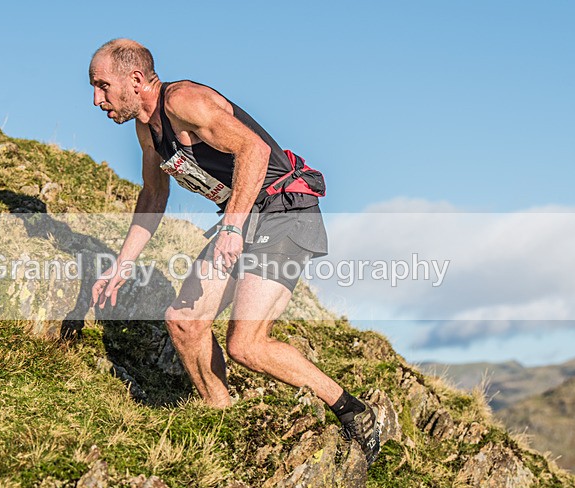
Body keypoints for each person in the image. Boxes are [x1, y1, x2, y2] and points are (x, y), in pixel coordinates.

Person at [88, 38, 380, 465]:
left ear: (135, 79)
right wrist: (121, 264)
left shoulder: (184, 102)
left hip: (284, 211)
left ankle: (353, 411)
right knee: (184, 322)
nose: (97, 99)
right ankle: (222, 419)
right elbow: (154, 194)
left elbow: (254, 149)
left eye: (102, 86)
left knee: (246, 344)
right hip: (244, 217)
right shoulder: (146, 129)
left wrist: (232, 226)